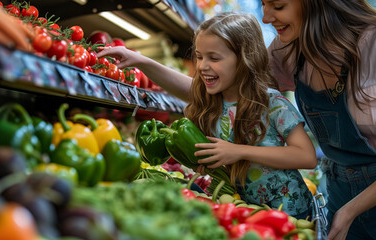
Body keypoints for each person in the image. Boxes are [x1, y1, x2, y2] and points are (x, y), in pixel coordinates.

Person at [101, 1, 376, 239]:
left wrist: (350, 211)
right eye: (264, 4)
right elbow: (226, 88)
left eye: (278, 5)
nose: (267, 17)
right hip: (340, 191)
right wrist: (142, 61)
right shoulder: (288, 51)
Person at [100, 12, 318, 218]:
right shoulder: (214, 101)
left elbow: (306, 156)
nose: (202, 66)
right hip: (249, 210)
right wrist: (140, 61)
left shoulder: (272, 103)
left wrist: (238, 152)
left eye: (213, 58)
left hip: (291, 210)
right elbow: (183, 86)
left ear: (244, 59)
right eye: (199, 56)